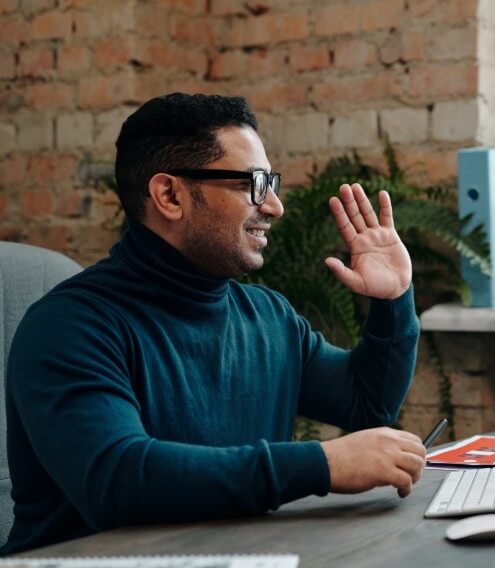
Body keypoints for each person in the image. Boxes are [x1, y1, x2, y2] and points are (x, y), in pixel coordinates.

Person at [1, 93, 426, 555]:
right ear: (170, 195)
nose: (274, 206)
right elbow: (119, 482)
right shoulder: (69, 328)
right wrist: (321, 465)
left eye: (272, 183)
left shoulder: (268, 316)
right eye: (254, 184)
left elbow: (366, 403)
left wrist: (393, 300)